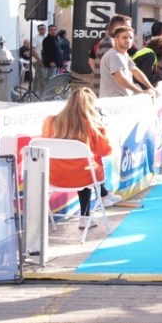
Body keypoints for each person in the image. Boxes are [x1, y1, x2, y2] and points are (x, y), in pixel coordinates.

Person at [41, 87, 122, 229]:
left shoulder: (50, 121)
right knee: (87, 165)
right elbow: (106, 151)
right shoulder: (89, 125)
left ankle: (103, 195)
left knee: (83, 163)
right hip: (82, 177)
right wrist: (103, 128)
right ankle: (96, 204)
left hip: (53, 177)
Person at [99, 26, 158, 98]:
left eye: (130, 38)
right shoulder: (114, 55)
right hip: (113, 101)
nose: (128, 40)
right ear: (116, 40)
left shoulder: (124, 55)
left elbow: (136, 71)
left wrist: (151, 88)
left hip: (120, 99)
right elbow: (120, 78)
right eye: (124, 37)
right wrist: (141, 91)